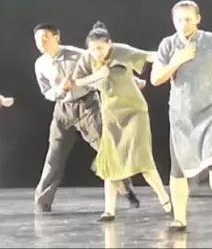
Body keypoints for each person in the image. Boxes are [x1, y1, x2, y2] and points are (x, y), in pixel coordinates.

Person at [150, 0, 212, 231]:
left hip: (208, 110)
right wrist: (177, 61)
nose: (183, 24)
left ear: (198, 19)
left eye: (188, 19)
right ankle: (179, 218)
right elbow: (156, 79)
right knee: (178, 168)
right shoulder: (168, 45)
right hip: (181, 114)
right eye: (179, 20)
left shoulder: (208, 39)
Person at [65, 22, 172, 221]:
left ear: (110, 44)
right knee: (111, 163)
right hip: (111, 115)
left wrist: (170, 57)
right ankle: (109, 210)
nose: (96, 52)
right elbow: (74, 83)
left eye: (100, 48)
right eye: (92, 48)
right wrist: (96, 76)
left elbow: (148, 56)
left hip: (134, 112)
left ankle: (165, 200)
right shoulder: (87, 59)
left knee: (142, 158)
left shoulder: (121, 51)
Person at [32, 22, 137, 213]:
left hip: (87, 106)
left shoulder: (78, 55)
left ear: (56, 37)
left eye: (46, 38)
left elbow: (105, 70)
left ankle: (126, 190)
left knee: (105, 149)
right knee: (54, 155)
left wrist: (133, 81)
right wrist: (60, 90)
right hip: (63, 109)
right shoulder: (40, 64)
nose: (42, 42)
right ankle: (42, 201)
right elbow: (46, 91)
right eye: (38, 39)